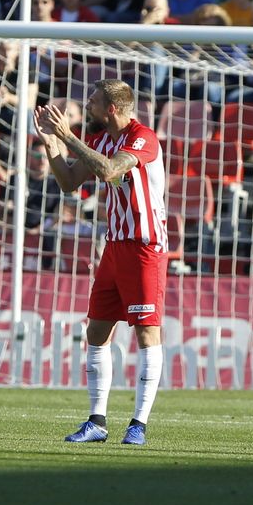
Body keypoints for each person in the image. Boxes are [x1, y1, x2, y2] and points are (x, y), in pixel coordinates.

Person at [37, 79, 169, 447]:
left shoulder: (143, 138)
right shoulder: (100, 140)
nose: (88, 107)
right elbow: (69, 182)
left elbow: (109, 170)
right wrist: (52, 145)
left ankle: (138, 424)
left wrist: (68, 135)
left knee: (146, 333)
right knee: (96, 332)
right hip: (114, 247)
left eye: (92, 102)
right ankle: (97, 421)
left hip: (145, 247)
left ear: (111, 109)